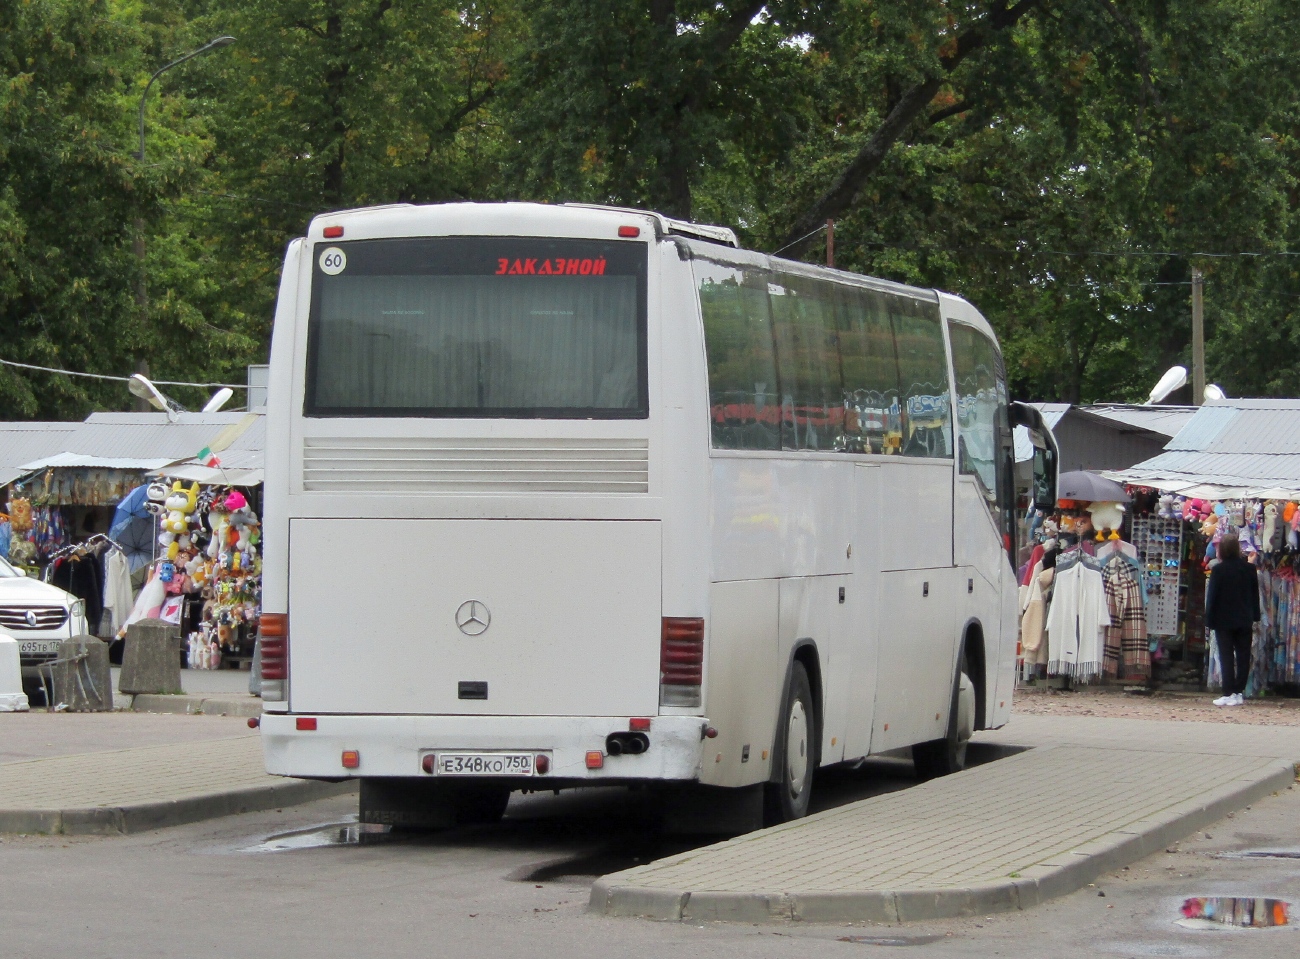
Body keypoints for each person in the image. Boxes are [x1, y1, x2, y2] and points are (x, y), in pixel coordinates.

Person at [1205, 535, 1260, 706]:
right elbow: (1254, 595)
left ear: (1221, 550)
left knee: (1226, 656)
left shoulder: (1218, 570)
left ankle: (1228, 692)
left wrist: (1209, 619)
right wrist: (1255, 615)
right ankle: (1238, 692)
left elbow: (1212, 596)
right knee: (1243, 656)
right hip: (1244, 619)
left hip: (1223, 620)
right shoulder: (1249, 569)